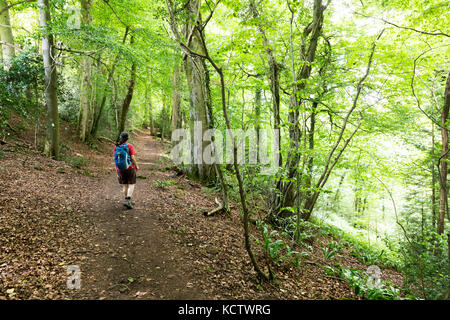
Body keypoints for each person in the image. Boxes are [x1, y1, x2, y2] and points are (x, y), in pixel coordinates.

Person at [114, 132, 139, 209]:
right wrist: (136, 166)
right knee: (131, 184)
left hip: (120, 169)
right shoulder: (129, 146)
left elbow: (115, 159)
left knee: (125, 185)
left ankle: (127, 200)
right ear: (128, 138)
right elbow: (132, 157)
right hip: (130, 168)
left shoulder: (117, 147)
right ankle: (128, 200)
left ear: (120, 137)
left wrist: (117, 170)